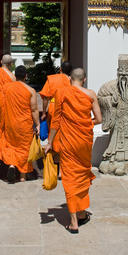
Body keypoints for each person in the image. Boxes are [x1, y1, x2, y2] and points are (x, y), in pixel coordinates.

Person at [44, 68, 102, 233]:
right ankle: (82, 212)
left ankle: (74, 221)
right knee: (82, 175)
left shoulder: (61, 92)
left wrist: (50, 143)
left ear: (70, 79)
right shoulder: (90, 94)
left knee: (70, 178)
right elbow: (99, 119)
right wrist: (83, 122)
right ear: (84, 80)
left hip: (68, 142)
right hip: (84, 141)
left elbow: (55, 121)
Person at [0, 65, 40, 183]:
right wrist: (38, 124)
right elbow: (34, 110)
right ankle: (22, 175)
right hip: (24, 124)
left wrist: (2, 121)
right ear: (26, 76)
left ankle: (11, 165)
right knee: (24, 148)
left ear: (15, 75)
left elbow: (0, 106)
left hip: (10, 123)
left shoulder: (6, 88)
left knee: (10, 145)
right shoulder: (30, 91)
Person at [39, 61, 72, 127]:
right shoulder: (72, 81)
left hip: (54, 107)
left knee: (53, 129)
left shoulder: (52, 79)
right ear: (70, 72)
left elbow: (46, 97)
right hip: (67, 108)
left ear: (60, 69)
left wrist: (44, 113)